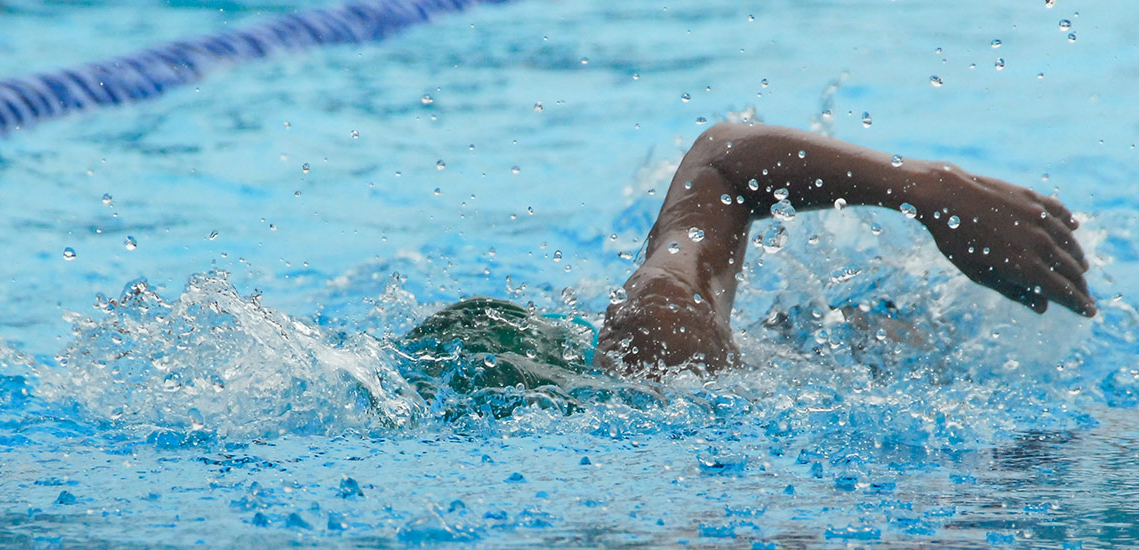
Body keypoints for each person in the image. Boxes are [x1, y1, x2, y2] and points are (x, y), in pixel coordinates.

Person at [401, 123, 1095, 390]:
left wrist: (934, 190)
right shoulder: (662, 343)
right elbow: (723, 162)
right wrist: (930, 189)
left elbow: (725, 164)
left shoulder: (660, 346)